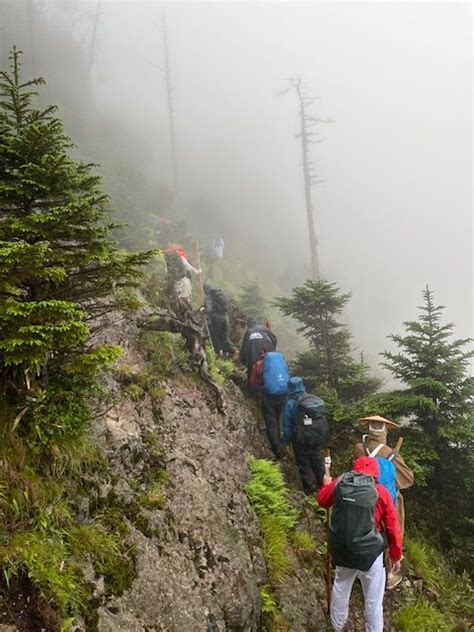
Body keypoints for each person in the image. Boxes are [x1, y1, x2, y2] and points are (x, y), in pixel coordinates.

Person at [318, 456, 403, 632]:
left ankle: (337, 626)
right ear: (376, 472)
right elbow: (393, 527)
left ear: (354, 468)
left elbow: (322, 501)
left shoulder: (340, 483)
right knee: (373, 599)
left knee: (341, 587)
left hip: (342, 550)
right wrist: (396, 556)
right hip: (370, 555)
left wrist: (327, 484)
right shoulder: (381, 491)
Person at [356, 415, 414, 589]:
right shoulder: (391, 454)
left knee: (365, 530)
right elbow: (408, 479)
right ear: (385, 430)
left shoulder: (360, 448)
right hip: (387, 500)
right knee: (392, 532)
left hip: (364, 497)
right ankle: (390, 572)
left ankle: (361, 567)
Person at [282, 377, 328, 495]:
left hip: (301, 440)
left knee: (304, 465)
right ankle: (324, 488)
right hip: (316, 439)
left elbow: (287, 426)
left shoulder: (290, 404)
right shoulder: (312, 400)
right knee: (317, 462)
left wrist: (286, 442)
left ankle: (311, 492)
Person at [239, 318, 277, 383]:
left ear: (248, 325)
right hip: (267, 353)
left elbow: (244, 348)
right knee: (267, 369)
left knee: (253, 371)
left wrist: (242, 361)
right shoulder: (264, 328)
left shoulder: (249, 332)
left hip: (253, 356)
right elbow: (274, 340)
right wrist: (273, 351)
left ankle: (252, 389)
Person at [203, 282, 235, 356]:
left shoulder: (209, 297)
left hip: (218, 318)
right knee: (224, 336)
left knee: (215, 335)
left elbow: (209, 310)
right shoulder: (220, 294)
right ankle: (231, 351)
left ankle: (219, 352)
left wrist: (203, 309)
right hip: (226, 317)